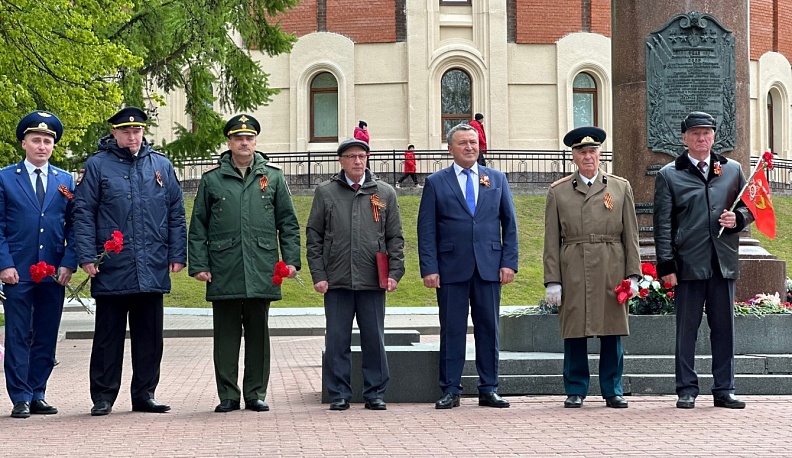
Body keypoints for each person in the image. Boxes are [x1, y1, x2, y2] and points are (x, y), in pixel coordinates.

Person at [73, 106, 187, 416]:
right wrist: (86, 255)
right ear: (114, 133)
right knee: (108, 338)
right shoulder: (97, 166)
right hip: (112, 265)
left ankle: (145, 394)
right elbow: (83, 213)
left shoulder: (160, 165)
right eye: (126, 131)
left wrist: (177, 253)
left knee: (149, 337)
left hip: (151, 264)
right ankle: (103, 396)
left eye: (137, 131)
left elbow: (176, 212)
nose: (132, 136)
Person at [188, 114, 301, 413]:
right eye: (238, 138)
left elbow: (288, 223)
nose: (244, 143)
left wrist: (291, 260)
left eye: (249, 138)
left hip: (262, 266)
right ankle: (227, 394)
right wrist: (199, 264)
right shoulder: (212, 179)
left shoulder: (273, 177)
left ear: (255, 142)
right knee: (225, 337)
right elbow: (198, 226)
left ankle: (255, 393)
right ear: (229, 142)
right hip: (223, 267)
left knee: (258, 336)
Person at [654, 111, 754, 410]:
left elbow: (750, 207)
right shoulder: (669, 174)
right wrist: (666, 265)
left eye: (707, 133)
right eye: (695, 134)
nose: (702, 138)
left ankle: (724, 389)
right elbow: (663, 225)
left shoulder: (732, 169)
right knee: (688, 329)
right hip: (688, 263)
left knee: (724, 328)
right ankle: (686, 388)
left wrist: (737, 218)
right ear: (684, 138)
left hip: (723, 261)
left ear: (714, 137)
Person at [417, 123, 518, 409]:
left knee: (489, 328)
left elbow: (509, 224)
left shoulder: (496, 178)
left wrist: (509, 262)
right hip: (450, 268)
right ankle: (450, 388)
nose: (470, 147)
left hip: (489, 266)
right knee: (452, 329)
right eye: (463, 143)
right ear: (450, 148)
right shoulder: (436, 182)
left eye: (473, 142)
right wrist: (429, 267)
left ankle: (489, 388)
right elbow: (426, 229)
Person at [543, 126, 640, 409]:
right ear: (574, 156)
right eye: (582, 152)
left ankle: (613, 389)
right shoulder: (559, 191)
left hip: (612, 265)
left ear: (600, 155)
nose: (588, 157)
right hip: (574, 265)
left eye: (593, 151)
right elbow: (551, 240)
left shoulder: (619, 187)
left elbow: (631, 235)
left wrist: (633, 275)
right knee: (575, 331)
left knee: (612, 331)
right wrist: (553, 280)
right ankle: (575, 388)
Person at [306, 138, 405, 411]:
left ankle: (375, 393)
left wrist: (395, 272)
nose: (357, 161)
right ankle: (338, 393)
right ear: (341, 160)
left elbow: (395, 237)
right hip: (336, 280)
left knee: (374, 338)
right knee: (337, 340)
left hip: (373, 280)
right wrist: (318, 274)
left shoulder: (384, 192)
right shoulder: (325, 193)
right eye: (351, 156)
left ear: (368, 158)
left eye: (362, 156)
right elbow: (314, 236)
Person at [0, 111, 76, 418]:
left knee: (46, 332)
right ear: (24, 144)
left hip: (53, 272)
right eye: (36, 140)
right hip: (17, 270)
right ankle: (19, 395)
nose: (42, 146)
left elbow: (74, 225)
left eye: (47, 141)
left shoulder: (65, 180)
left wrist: (69, 263)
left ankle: (38, 392)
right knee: (18, 332)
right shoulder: (5, 178)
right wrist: (4, 264)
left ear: (53, 146)